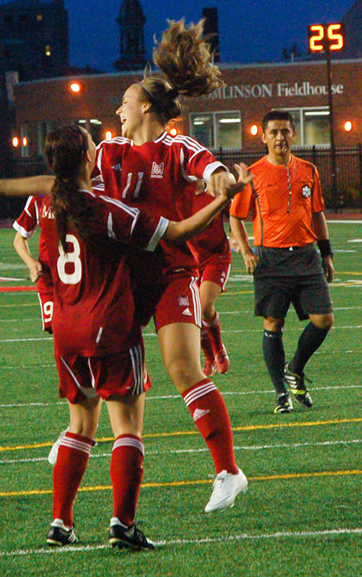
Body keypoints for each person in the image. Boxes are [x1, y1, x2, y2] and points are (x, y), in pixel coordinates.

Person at [0, 19, 248, 513]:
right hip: (121, 280)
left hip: (168, 275)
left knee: (182, 368)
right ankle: (76, 436)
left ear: (146, 109)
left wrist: (223, 181)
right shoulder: (109, 151)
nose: (118, 105)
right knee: (100, 367)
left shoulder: (176, 147)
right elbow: (61, 184)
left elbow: (210, 167)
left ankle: (228, 471)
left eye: (125, 99)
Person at [25, 125, 249, 549]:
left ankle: (60, 523)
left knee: (79, 424)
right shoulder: (104, 207)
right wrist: (223, 198)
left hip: (67, 332)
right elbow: (178, 233)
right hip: (109, 324)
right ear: (87, 161)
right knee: (127, 425)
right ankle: (123, 525)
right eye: (92, 146)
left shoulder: (50, 205)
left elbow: (45, 261)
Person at [229, 110, 334, 414]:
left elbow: (317, 213)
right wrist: (248, 252)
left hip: (306, 256)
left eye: (285, 131)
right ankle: (280, 394)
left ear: (293, 134)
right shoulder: (254, 173)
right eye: (273, 132)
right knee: (273, 323)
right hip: (271, 258)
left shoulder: (308, 170)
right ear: (263, 137)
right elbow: (235, 217)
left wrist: (326, 253)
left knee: (323, 319)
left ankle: (295, 369)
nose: (280, 138)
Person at [188, 185, 232, 377]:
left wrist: (238, 238)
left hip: (216, 258)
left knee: (204, 306)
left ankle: (219, 350)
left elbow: (234, 215)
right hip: (189, 260)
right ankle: (209, 357)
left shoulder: (215, 190)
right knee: (192, 315)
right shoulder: (177, 192)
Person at [13, 196, 55, 333]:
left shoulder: (92, 191)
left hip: (80, 284)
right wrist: (31, 264)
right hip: (50, 282)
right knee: (59, 336)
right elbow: (19, 239)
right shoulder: (40, 196)